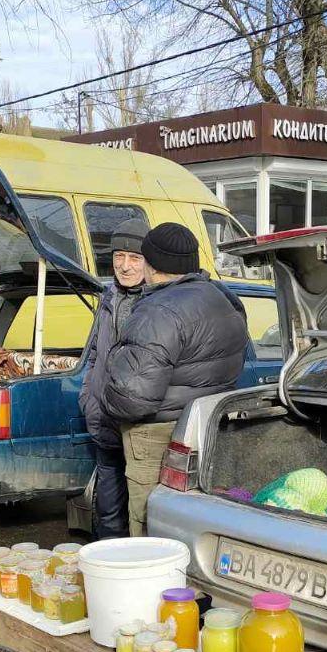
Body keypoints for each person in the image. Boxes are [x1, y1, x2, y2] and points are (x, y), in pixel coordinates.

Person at [101, 222, 249, 535]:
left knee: (150, 526)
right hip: (210, 426)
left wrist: (106, 406)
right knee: (198, 523)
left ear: (151, 264)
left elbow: (132, 397)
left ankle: (154, 584)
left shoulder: (157, 310)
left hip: (157, 434)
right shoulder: (224, 297)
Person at [79, 218, 148, 537]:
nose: (125, 265)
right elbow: (94, 352)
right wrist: (88, 395)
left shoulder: (158, 300)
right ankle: (108, 563)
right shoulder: (108, 298)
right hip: (105, 415)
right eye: (119, 256)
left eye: (134, 258)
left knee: (143, 506)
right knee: (108, 505)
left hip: (142, 421)